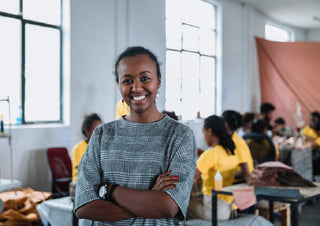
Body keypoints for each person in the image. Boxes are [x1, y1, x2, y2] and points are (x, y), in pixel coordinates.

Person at [74, 46, 197, 225]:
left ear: (159, 81)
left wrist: (110, 190)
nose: (136, 87)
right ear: (119, 85)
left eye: (145, 78)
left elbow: (168, 206)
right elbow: (83, 206)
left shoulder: (179, 135)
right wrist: (151, 200)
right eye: (127, 80)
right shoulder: (102, 135)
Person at [187, 115, 238, 221]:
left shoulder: (211, 153)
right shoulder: (231, 152)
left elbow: (189, 177)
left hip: (214, 211)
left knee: (177, 208)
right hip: (230, 209)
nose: (204, 137)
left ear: (209, 131)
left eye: (204, 133)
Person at [222, 110, 254, 182]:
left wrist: (223, 175)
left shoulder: (236, 142)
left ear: (226, 124)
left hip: (242, 181)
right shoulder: (231, 139)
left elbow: (245, 172)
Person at [71, 113, 102, 182]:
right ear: (87, 131)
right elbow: (85, 172)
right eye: (97, 130)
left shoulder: (101, 147)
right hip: (80, 184)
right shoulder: (78, 148)